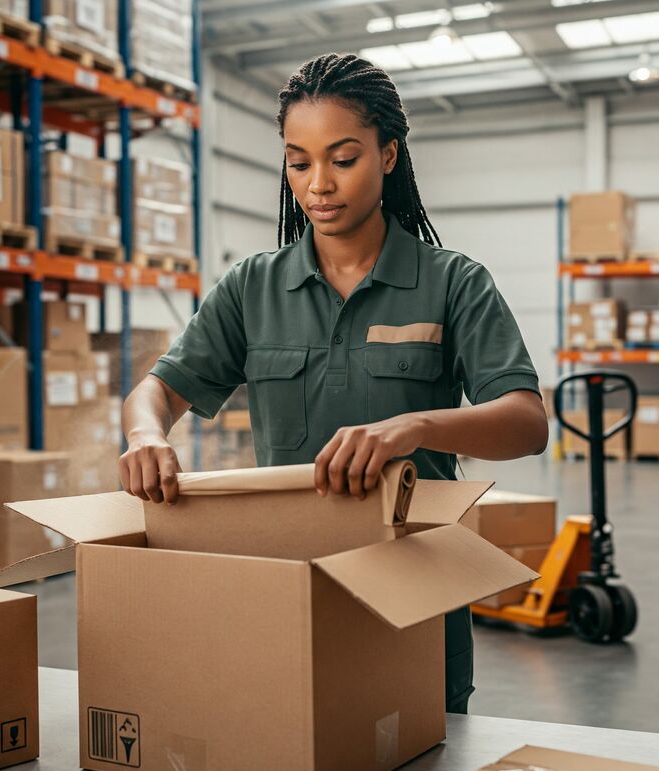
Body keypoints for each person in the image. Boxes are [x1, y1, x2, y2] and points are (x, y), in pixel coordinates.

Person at [120, 53, 548, 714]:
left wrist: (417, 426)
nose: (319, 183)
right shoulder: (252, 289)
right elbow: (159, 390)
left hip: (418, 592)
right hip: (290, 587)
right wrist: (145, 435)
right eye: (299, 162)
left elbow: (526, 420)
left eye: (343, 159)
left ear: (388, 156)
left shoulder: (454, 283)